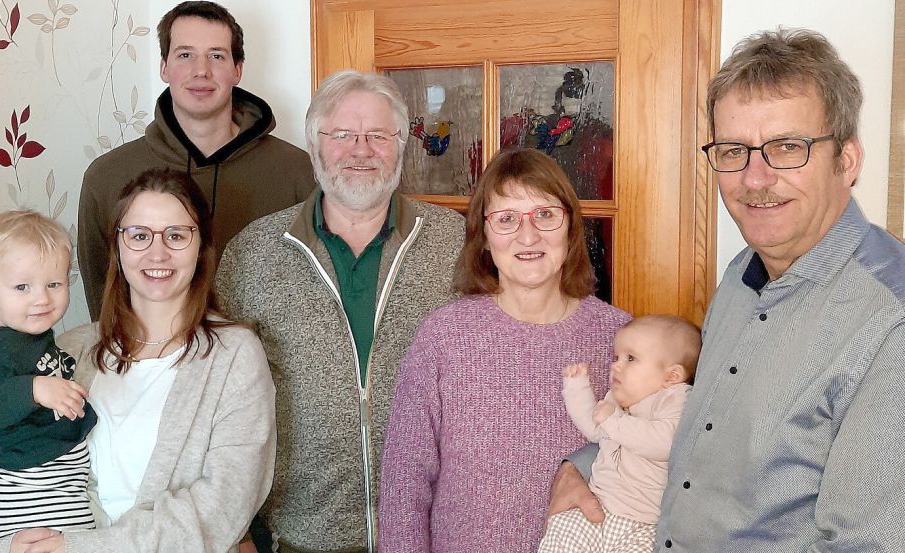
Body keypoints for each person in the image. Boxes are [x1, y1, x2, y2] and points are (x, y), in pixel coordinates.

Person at [550, 28, 905, 551]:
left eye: (788, 147)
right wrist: (577, 467)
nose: (755, 179)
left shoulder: (889, 322)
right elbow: (693, 424)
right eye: (734, 150)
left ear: (846, 161)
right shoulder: (744, 272)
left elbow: (865, 543)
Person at [0, 168, 277, 553]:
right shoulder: (70, 350)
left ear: (202, 246)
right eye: (139, 236)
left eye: (176, 235)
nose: (158, 253)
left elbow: (223, 506)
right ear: (118, 248)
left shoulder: (233, 355)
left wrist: (80, 547)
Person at [215, 70, 465, 553]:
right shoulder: (252, 253)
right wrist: (238, 532)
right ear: (314, 148)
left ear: (400, 145)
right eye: (343, 135)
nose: (361, 149)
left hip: (436, 530)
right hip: (299, 536)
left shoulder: (456, 242)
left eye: (378, 135)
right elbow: (219, 404)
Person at [377, 148, 630, 552]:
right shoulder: (444, 337)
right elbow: (404, 482)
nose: (527, 236)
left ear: (571, 227)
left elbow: (654, 456)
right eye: (506, 218)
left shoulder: (619, 337)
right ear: (484, 236)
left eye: (545, 215)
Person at [78, 0, 314, 320]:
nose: (200, 70)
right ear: (164, 67)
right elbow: (103, 303)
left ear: (237, 70)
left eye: (216, 56)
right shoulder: (106, 177)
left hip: (267, 366)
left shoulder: (297, 171)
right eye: (185, 55)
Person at [0, 210, 97, 539]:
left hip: (58, 476)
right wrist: (33, 390)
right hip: (24, 486)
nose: (41, 298)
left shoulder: (33, 337)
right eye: (22, 286)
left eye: (54, 283)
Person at [539, 315, 699, 553]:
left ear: (672, 376)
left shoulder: (674, 398)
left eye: (630, 358)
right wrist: (577, 389)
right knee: (562, 527)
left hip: (643, 524)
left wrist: (615, 420)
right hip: (597, 511)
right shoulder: (617, 400)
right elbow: (595, 429)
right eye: (617, 358)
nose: (616, 365)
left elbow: (665, 442)